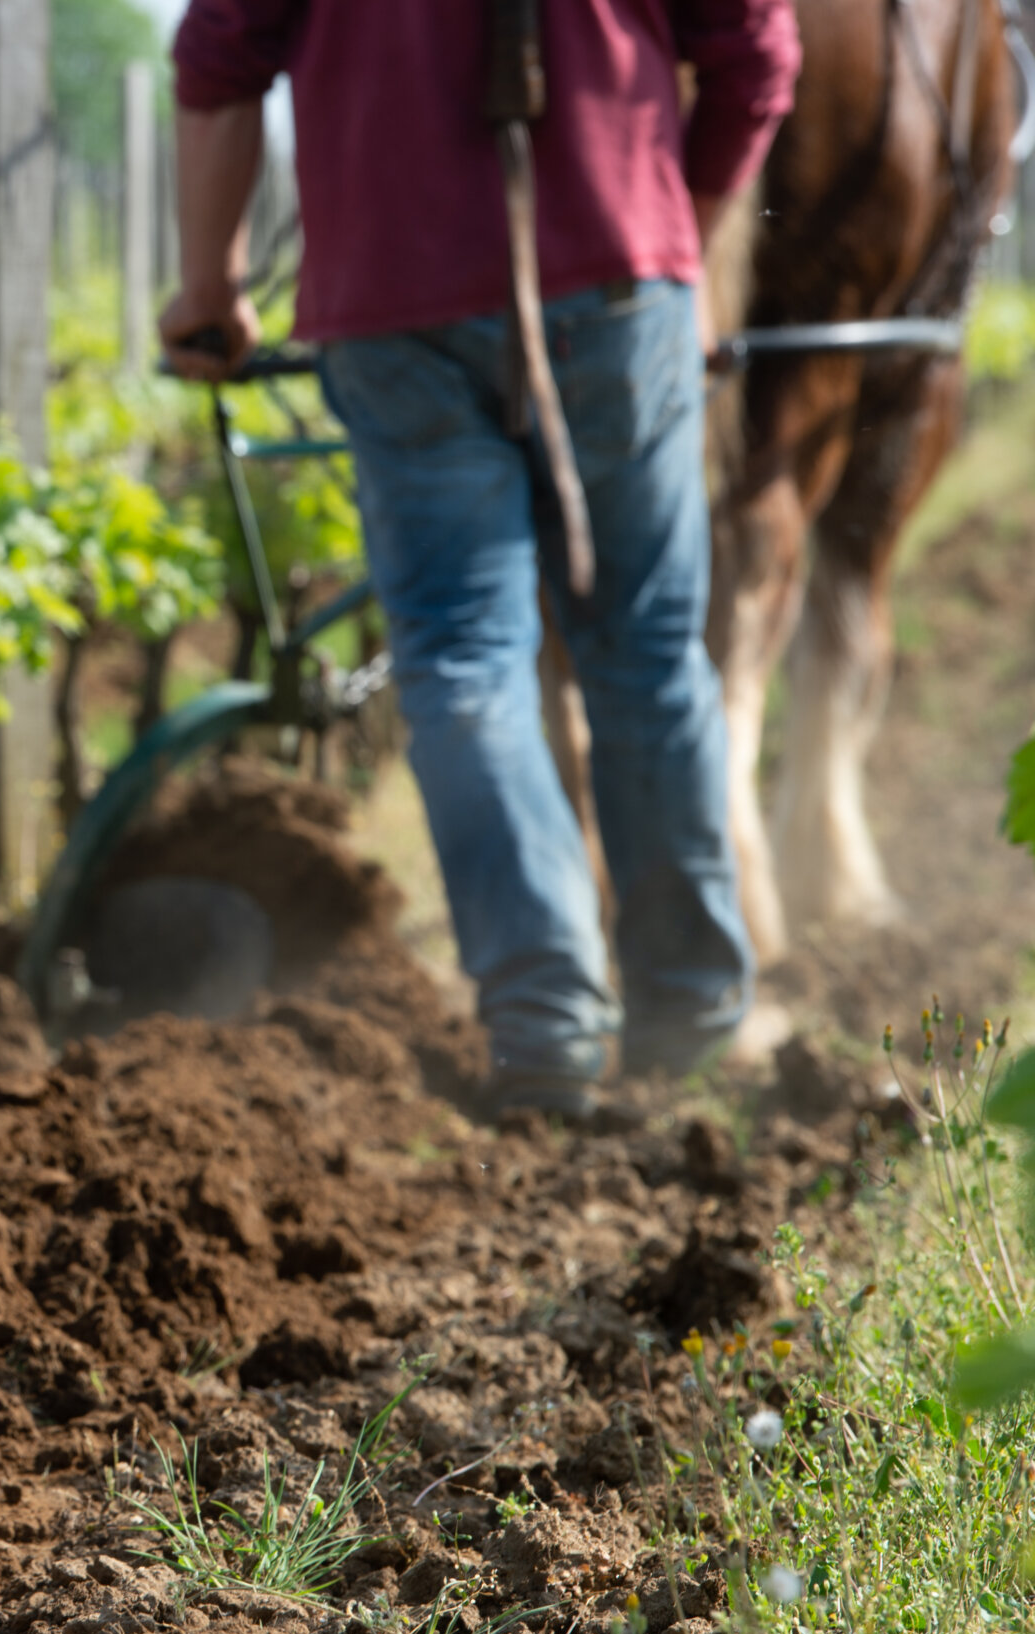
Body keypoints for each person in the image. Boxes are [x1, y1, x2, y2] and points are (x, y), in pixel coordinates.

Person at [165, 0, 800, 1119]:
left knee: (462, 658)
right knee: (648, 654)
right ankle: (691, 1013)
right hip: (617, 280)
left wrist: (209, 291)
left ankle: (544, 1023)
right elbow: (756, 52)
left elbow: (218, 66)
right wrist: (681, 237)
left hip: (396, 298)